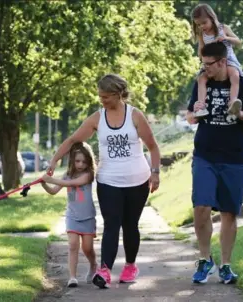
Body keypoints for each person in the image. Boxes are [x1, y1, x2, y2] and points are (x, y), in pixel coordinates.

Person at [46, 74, 161, 288]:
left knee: (130, 225)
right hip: (109, 181)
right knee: (111, 224)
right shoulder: (97, 118)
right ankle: (105, 271)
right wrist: (54, 160)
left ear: (118, 94)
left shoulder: (135, 115)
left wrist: (155, 173)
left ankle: (130, 265)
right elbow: (73, 140)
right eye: (100, 96)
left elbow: (153, 146)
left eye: (106, 97)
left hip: (137, 180)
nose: (102, 101)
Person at [186, 42, 243, 284]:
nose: (204, 69)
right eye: (203, 64)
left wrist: (240, 115)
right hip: (205, 155)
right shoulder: (201, 83)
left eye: (208, 64)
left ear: (222, 62)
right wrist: (196, 110)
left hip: (235, 157)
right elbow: (190, 117)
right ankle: (204, 258)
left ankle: (226, 265)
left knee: (229, 212)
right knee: (201, 207)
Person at [41, 142, 98, 288]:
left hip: (87, 218)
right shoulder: (67, 175)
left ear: (89, 162)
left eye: (84, 162)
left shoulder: (88, 175)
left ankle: (93, 265)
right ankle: (72, 277)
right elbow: (53, 191)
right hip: (72, 217)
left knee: (87, 248)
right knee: (73, 245)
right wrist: (44, 184)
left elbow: (73, 183)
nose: (80, 164)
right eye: (77, 161)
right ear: (72, 160)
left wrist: (52, 179)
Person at [191, 3, 243, 118]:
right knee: (201, 79)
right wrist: (204, 56)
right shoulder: (202, 34)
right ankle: (201, 106)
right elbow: (200, 50)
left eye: (204, 22)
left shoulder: (223, 28)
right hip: (211, 62)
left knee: (234, 75)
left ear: (212, 17)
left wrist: (226, 38)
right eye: (198, 25)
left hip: (228, 59)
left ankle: (233, 102)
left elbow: (239, 42)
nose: (201, 26)